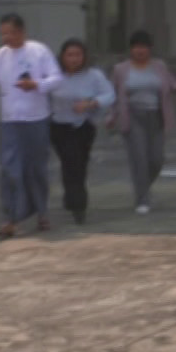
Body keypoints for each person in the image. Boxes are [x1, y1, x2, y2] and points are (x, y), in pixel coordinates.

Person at [0, 14, 63, 238]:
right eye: (3, 33)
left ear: (22, 32)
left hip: (36, 119)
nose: (6, 37)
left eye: (11, 33)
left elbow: (56, 78)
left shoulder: (39, 51)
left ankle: (41, 212)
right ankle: (11, 218)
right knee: (10, 168)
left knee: (36, 169)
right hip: (10, 120)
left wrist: (36, 84)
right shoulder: (0, 56)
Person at [110, 30, 176, 216]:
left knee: (156, 159)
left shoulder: (159, 66)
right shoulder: (121, 69)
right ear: (131, 49)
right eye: (136, 47)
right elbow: (113, 94)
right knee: (139, 158)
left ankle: (143, 187)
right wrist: (111, 116)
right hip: (133, 116)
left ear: (150, 48)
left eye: (143, 47)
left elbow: (171, 82)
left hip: (156, 116)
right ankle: (142, 199)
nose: (140, 51)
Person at [48, 38, 115, 225]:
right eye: (70, 55)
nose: (74, 59)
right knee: (70, 162)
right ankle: (76, 203)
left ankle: (74, 201)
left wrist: (91, 103)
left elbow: (109, 95)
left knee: (79, 164)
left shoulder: (93, 75)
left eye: (78, 55)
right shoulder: (54, 76)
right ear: (62, 57)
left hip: (83, 126)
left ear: (84, 57)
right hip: (59, 126)